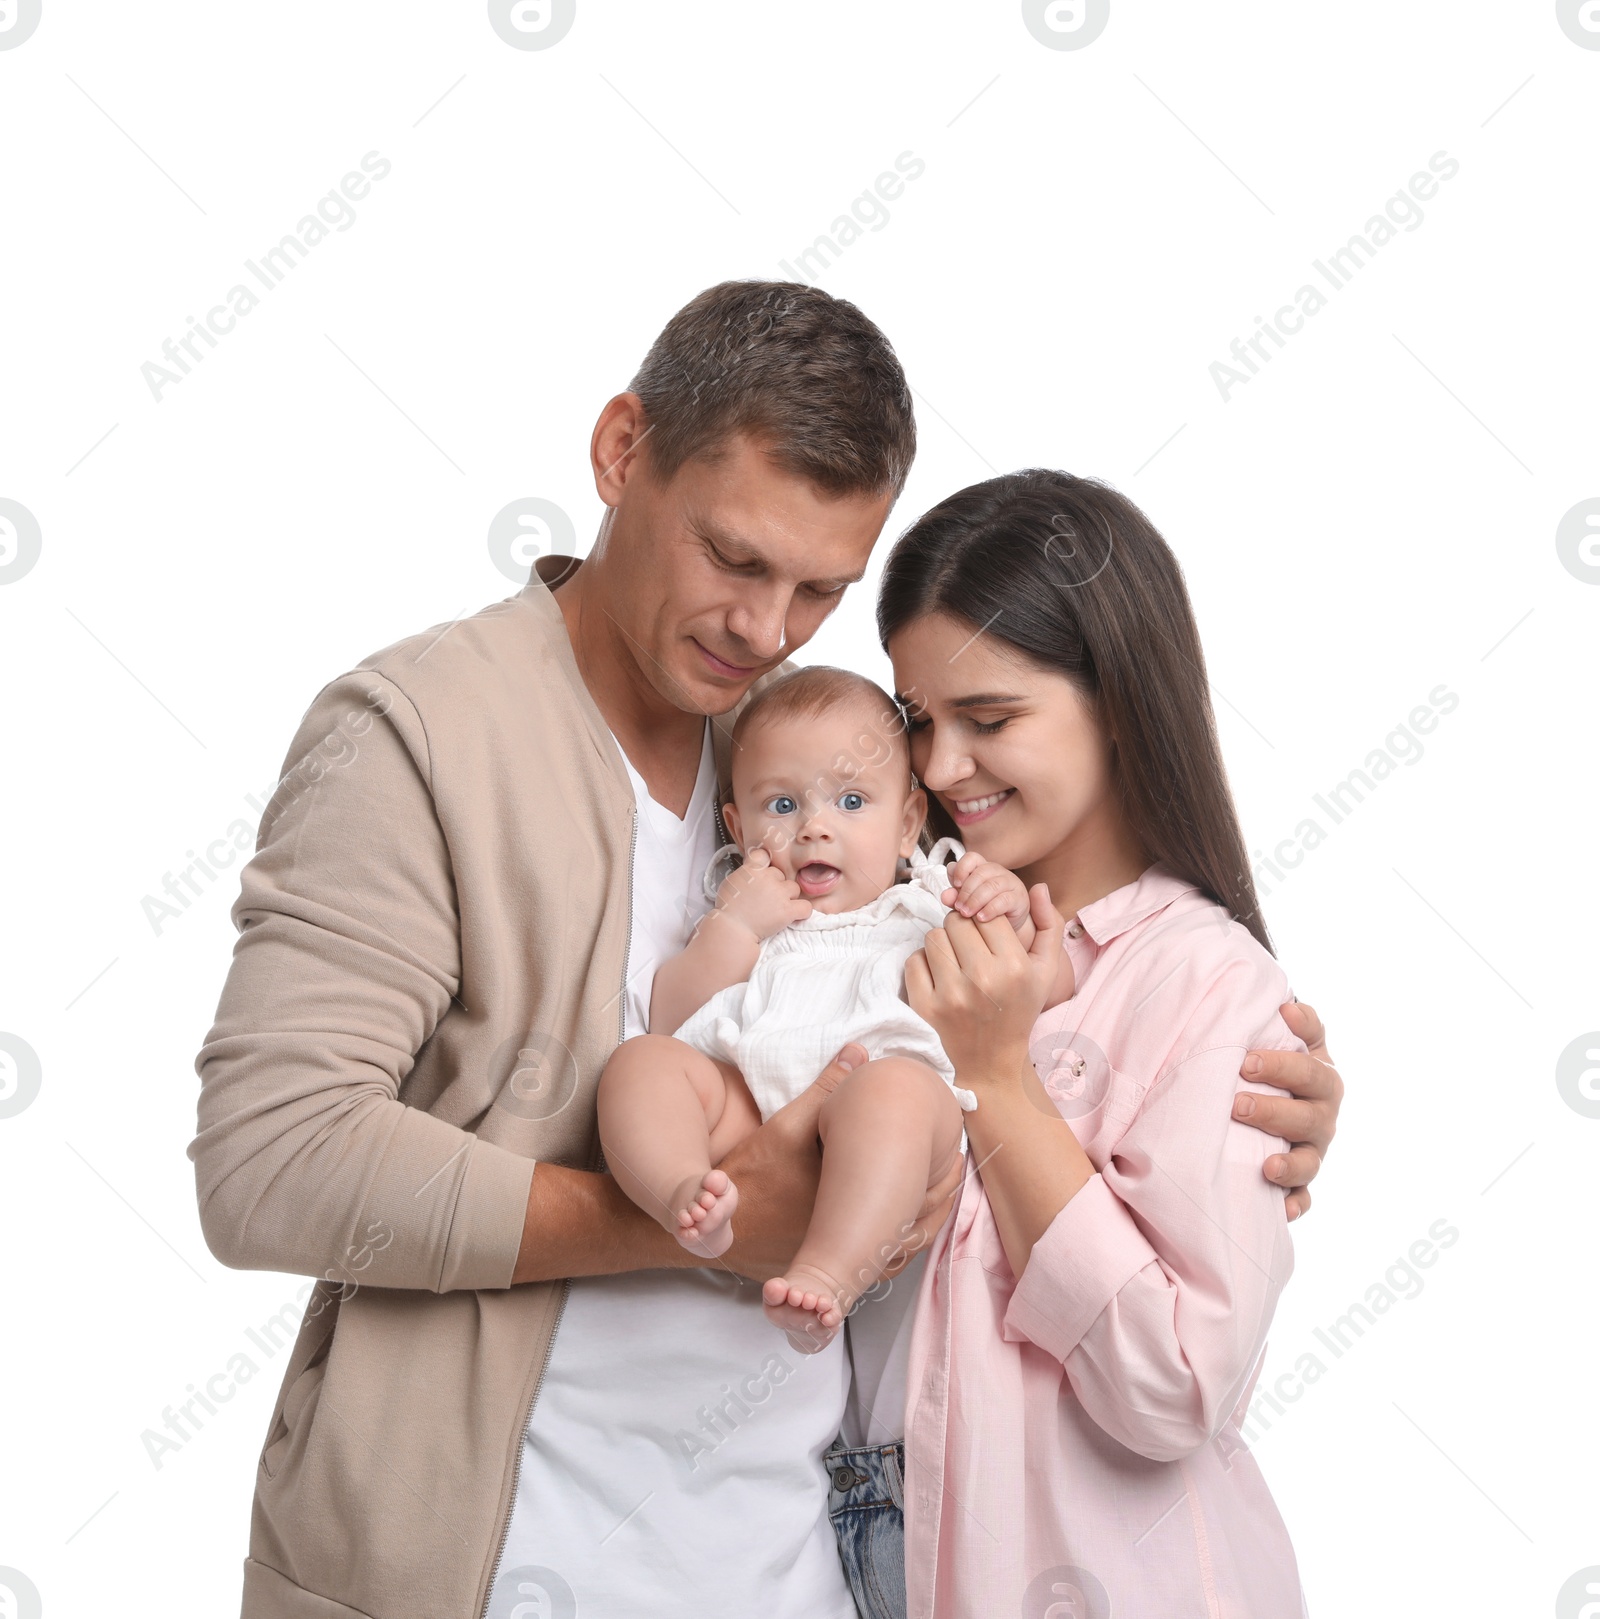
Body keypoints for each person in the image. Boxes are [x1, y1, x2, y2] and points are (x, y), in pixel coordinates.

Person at [187, 281, 1340, 1619]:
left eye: (819, 591)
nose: (765, 628)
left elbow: (1049, 1001)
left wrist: (1246, 1088)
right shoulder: (419, 734)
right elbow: (268, 1161)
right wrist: (695, 1222)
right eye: (735, 560)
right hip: (481, 1569)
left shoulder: (805, 755)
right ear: (622, 451)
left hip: (810, 1570)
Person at [840, 469, 1317, 1617]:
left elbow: (1175, 1381)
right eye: (918, 722)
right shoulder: (888, 936)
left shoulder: (1209, 981)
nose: (943, 766)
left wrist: (1000, 1081)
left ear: (1117, 700)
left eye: (990, 719)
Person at [597, 666, 1047, 1349]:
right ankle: (683, 1190)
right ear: (736, 825)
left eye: (852, 801)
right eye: (781, 806)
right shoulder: (746, 911)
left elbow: (1038, 979)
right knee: (641, 1063)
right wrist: (735, 928)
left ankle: (828, 1273)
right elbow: (672, 1016)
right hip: (746, 1106)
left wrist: (1007, 909)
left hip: (875, 1101)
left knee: (897, 1091)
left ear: (908, 824)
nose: (815, 829)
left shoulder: (926, 904)